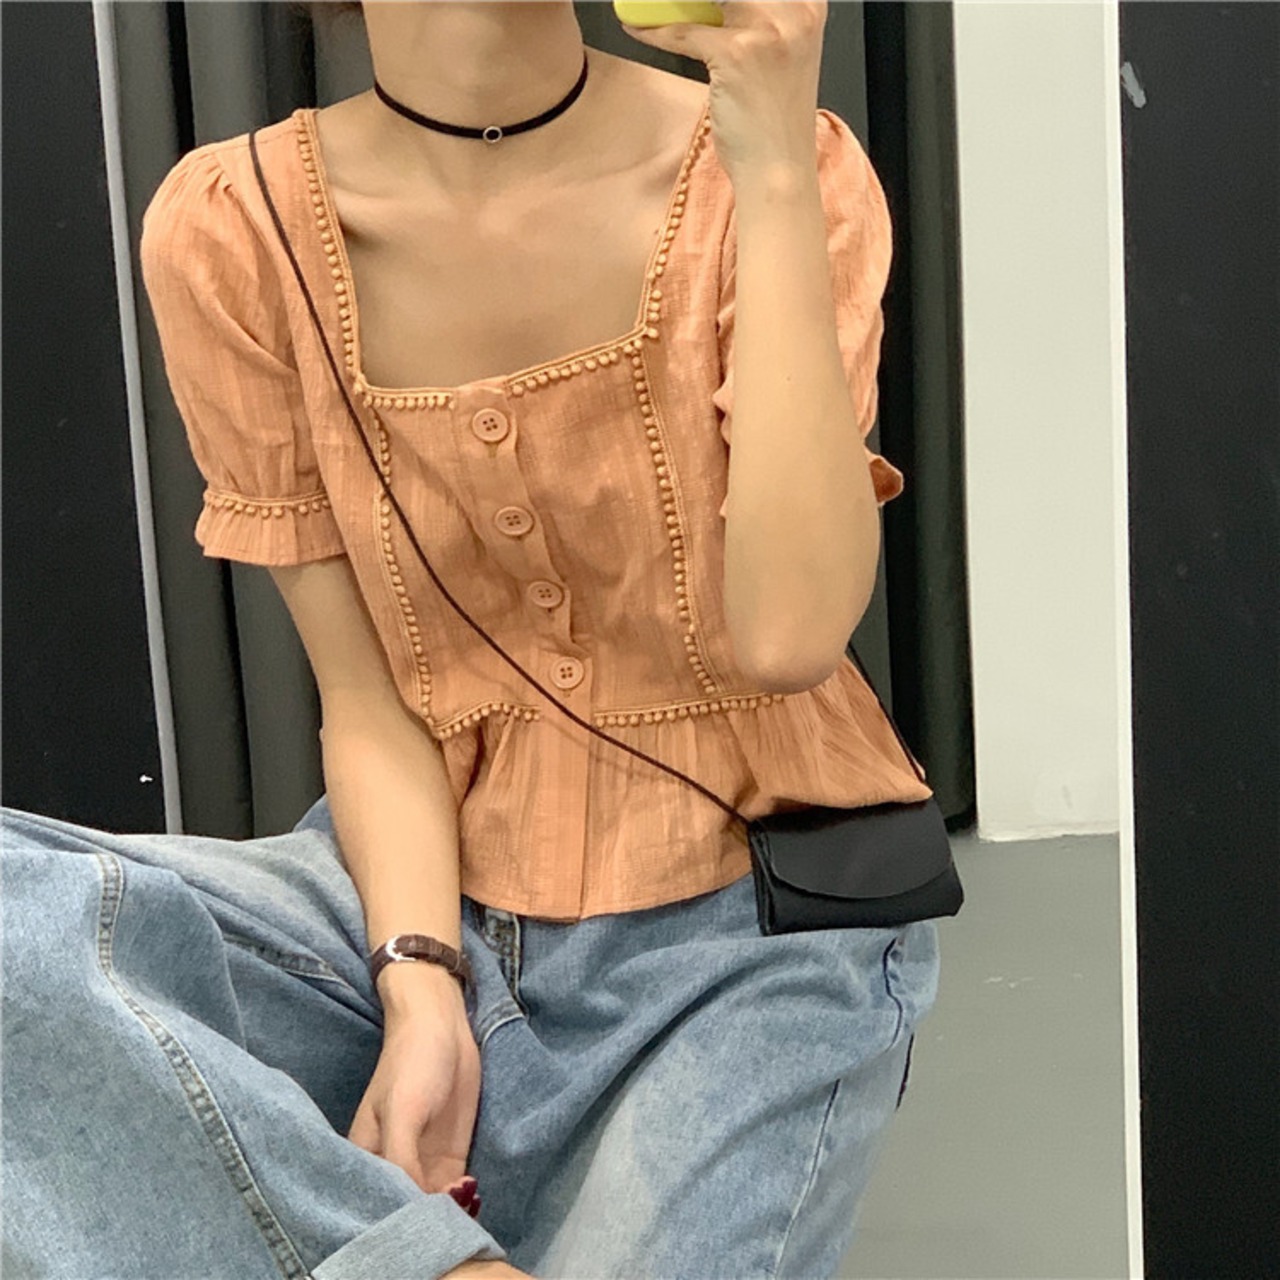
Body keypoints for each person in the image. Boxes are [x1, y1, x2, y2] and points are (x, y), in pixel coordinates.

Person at [1, 2, 941, 1277]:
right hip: (410, 887)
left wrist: (768, 161)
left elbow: (789, 632)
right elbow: (369, 698)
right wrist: (420, 981)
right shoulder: (233, 227)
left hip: (749, 920)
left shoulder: (778, 168)